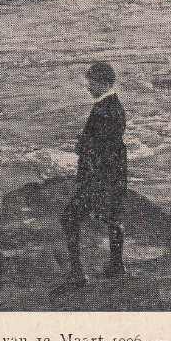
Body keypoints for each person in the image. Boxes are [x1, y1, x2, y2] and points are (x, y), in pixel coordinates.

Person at [60, 61, 128, 288]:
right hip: (115, 174)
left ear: (103, 83)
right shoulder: (116, 107)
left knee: (69, 219)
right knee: (113, 218)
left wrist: (81, 149)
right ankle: (117, 265)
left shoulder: (101, 110)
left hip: (97, 177)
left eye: (91, 83)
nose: (88, 87)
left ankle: (78, 274)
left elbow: (93, 148)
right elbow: (113, 147)